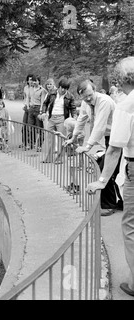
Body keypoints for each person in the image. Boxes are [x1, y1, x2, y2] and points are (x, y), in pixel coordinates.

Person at [86, 56, 134, 297]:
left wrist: (102, 181)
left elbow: (115, 147)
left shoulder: (126, 105)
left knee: (130, 225)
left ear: (121, 79)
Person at [66, 79, 122, 216]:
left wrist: (87, 146)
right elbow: (81, 120)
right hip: (110, 137)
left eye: (90, 95)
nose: (88, 98)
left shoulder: (104, 101)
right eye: (85, 97)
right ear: (81, 96)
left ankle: (109, 205)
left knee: (106, 169)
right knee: (109, 170)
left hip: (119, 137)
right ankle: (117, 202)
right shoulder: (86, 103)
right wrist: (73, 138)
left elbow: (99, 126)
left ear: (95, 90)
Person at [41, 77, 76, 163]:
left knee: (61, 140)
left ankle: (59, 158)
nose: (64, 90)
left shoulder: (70, 96)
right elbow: (45, 103)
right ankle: (49, 158)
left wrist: (74, 117)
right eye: (62, 88)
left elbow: (73, 108)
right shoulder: (52, 93)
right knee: (50, 139)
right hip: (52, 118)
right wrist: (43, 112)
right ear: (59, 86)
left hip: (62, 118)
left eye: (66, 88)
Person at [27, 75, 47, 151]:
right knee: (30, 127)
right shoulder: (30, 89)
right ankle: (31, 143)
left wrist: (41, 111)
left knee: (40, 128)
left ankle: (39, 145)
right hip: (31, 108)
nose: (34, 82)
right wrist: (28, 106)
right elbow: (27, 98)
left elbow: (43, 101)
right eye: (33, 81)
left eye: (36, 81)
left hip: (38, 108)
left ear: (39, 81)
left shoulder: (42, 90)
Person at [21, 74, 34, 149]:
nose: (31, 81)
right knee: (24, 125)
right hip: (26, 108)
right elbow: (25, 97)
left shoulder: (35, 88)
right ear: (27, 81)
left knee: (30, 126)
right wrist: (24, 104)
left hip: (32, 108)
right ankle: (24, 142)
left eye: (32, 79)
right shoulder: (25, 88)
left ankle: (30, 143)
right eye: (29, 79)